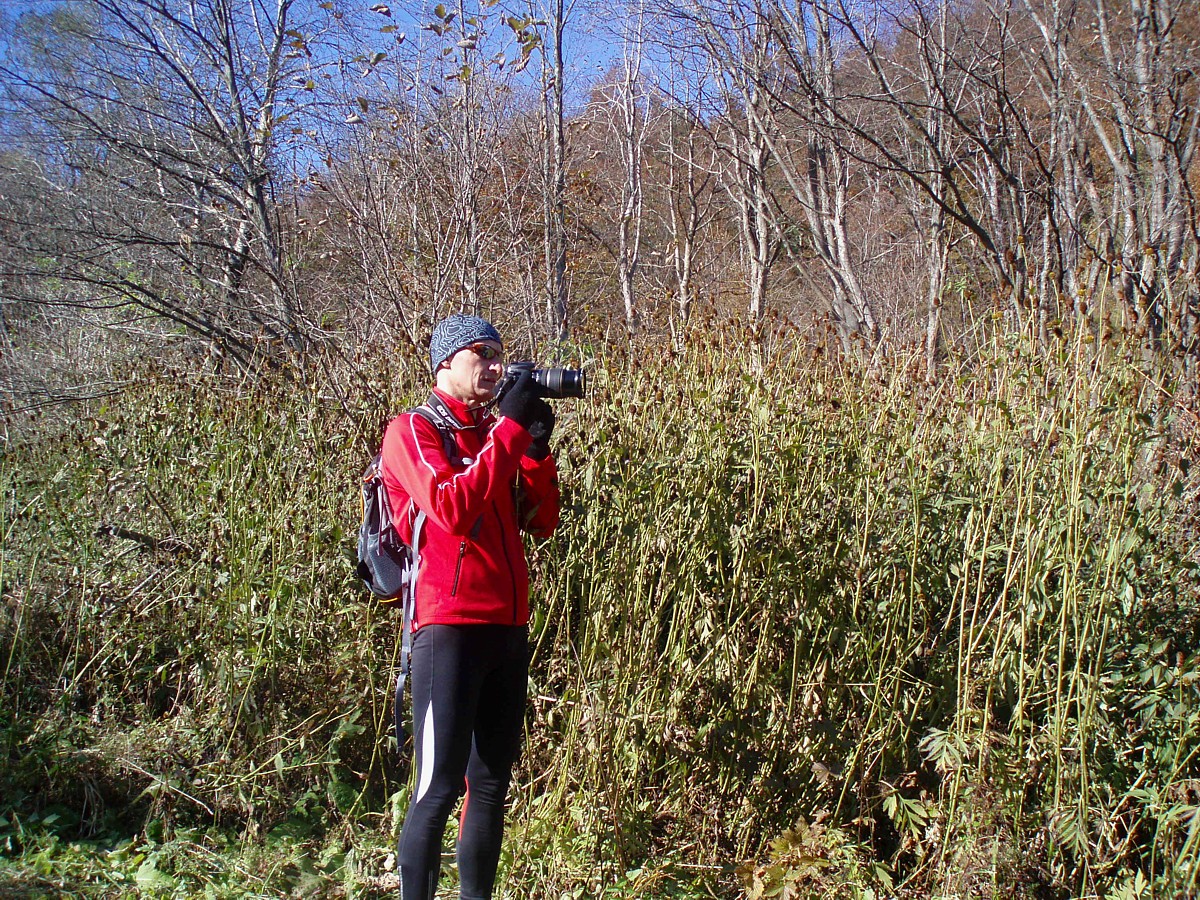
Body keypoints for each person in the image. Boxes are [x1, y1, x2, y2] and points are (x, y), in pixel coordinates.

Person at [379, 314, 560, 900]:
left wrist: (535, 451)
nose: (495, 365)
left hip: (507, 625)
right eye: (482, 352)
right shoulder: (411, 429)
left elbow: (542, 522)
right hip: (448, 627)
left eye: (499, 353)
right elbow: (452, 508)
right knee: (435, 789)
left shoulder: (492, 433)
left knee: (488, 788)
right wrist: (508, 431)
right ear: (445, 362)